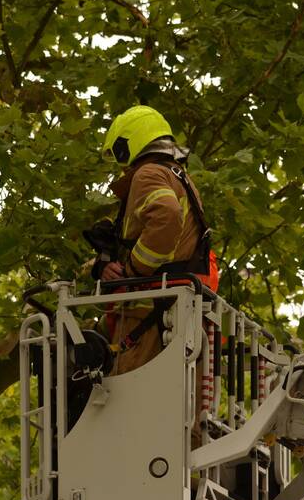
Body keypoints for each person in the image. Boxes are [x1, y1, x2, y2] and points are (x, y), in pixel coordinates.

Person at [93, 105, 217, 375]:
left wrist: (133, 271)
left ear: (127, 144)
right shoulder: (179, 177)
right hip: (178, 317)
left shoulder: (148, 173)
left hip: (149, 318)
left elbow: (167, 216)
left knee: (130, 407)